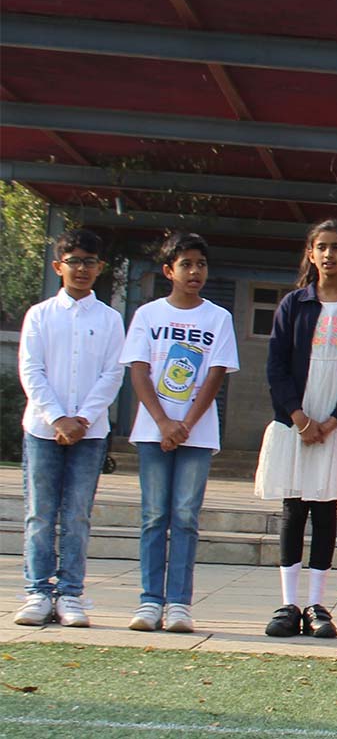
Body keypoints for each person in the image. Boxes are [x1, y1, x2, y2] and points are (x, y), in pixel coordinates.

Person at [257, 219, 337, 641]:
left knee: (325, 510)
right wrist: (299, 417)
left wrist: (330, 422)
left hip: (335, 425)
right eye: (322, 247)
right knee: (293, 509)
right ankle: (288, 604)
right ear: (310, 254)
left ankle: (316, 604)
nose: (329, 254)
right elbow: (276, 366)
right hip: (295, 423)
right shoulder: (293, 305)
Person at [120, 231, 239, 634]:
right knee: (154, 515)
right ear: (169, 271)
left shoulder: (218, 318)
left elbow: (216, 374)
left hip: (197, 434)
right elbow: (139, 371)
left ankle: (179, 604)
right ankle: (150, 600)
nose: (194, 272)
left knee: (186, 517)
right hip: (153, 431)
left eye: (200, 264)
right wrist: (163, 422)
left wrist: (185, 424)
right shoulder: (148, 315)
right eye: (186, 264)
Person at [16, 228, 124, 629]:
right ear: (58, 266)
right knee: (40, 514)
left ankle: (71, 594)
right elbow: (31, 370)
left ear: (100, 267)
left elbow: (113, 374)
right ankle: (38, 592)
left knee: (77, 515)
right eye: (74, 261)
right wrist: (57, 417)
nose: (81, 269)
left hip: (89, 433)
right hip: (42, 431)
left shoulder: (110, 319)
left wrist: (82, 419)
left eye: (89, 262)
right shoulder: (40, 315)